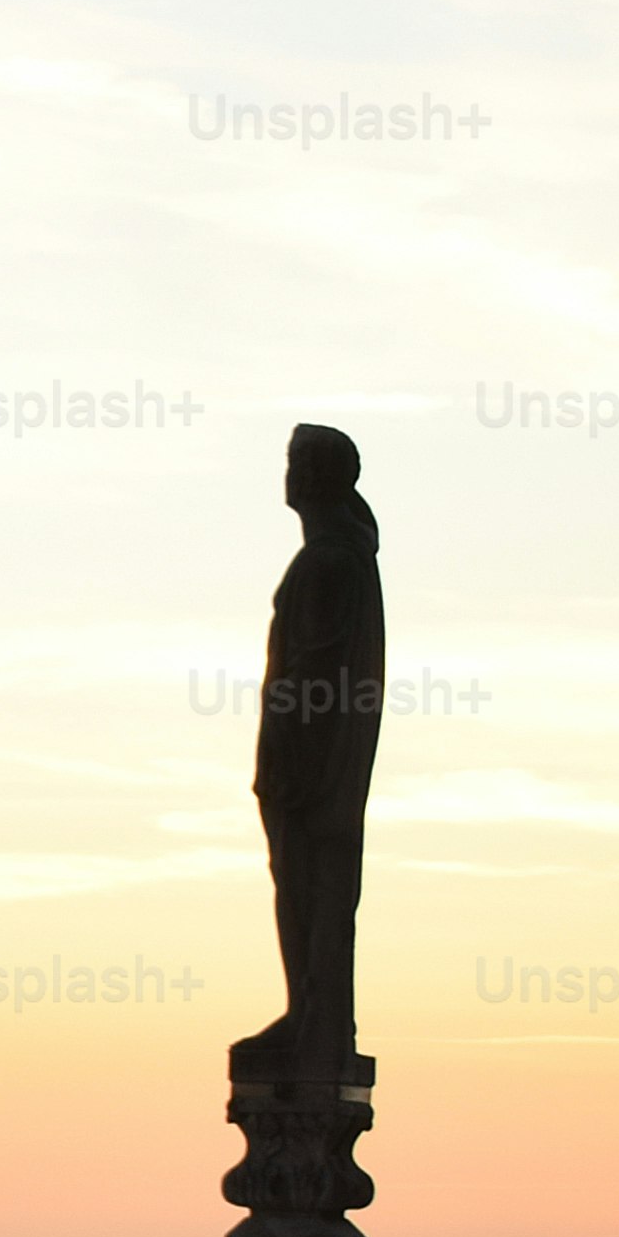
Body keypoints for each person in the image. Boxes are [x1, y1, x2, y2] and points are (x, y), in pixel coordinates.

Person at [246, 423, 387, 1067]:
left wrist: (291, 766)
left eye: (294, 463)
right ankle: (311, 1014)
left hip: (310, 771)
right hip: (306, 766)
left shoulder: (331, 563)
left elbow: (315, 677)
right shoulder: (337, 559)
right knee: (305, 888)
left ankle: (318, 1020)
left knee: (314, 889)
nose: (287, 475)